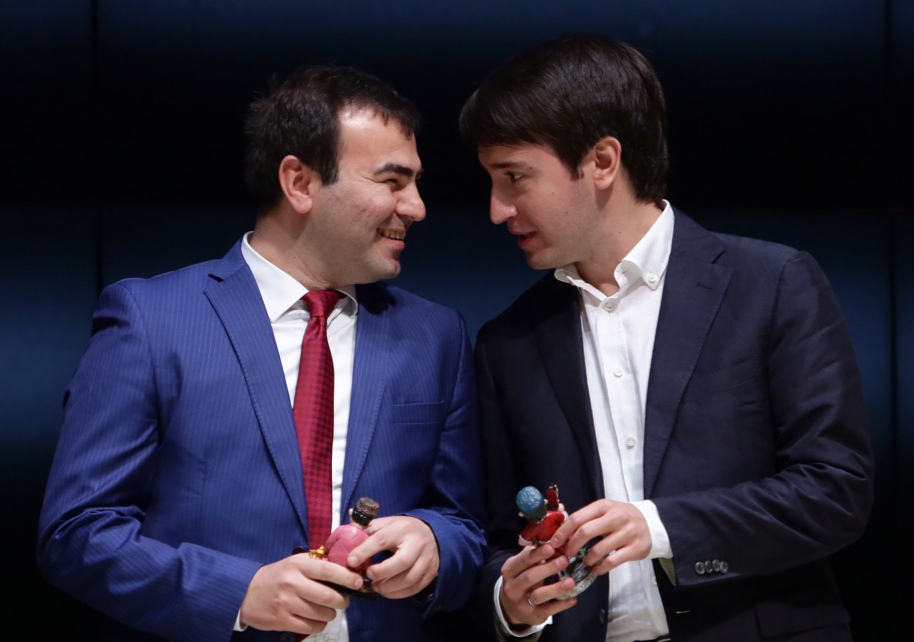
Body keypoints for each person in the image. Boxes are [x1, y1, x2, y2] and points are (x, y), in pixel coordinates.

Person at [36, 65, 486, 642]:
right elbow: (76, 534)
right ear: (299, 182)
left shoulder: (437, 335)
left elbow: (466, 525)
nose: (417, 207)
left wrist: (435, 543)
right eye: (392, 181)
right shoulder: (152, 319)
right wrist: (237, 594)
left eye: (416, 183)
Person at [458, 34, 874, 642]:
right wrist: (513, 604)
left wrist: (657, 527)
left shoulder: (771, 283)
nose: (498, 209)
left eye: (515, 177)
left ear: (603, 161)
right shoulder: (507, 342)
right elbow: (500, 536)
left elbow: (835, 491)